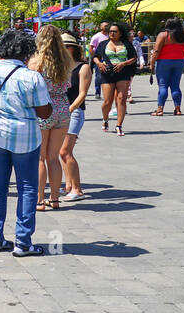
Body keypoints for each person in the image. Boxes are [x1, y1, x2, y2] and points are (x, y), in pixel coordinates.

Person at [0, 30, 52, 256]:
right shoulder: (31, 76)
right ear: (26, 52)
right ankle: (23, 241)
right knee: (28, 187)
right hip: (25, 136)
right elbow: (45, 112)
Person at [29, 25, 74, 211]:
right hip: (63, 107)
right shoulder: (66, 60)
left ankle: (39, 200)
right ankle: (54, 198)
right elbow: (69, 85)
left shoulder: (36, 62)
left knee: (39, 158)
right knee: (53, 157)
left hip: (43, 107)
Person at [59, 33, 92, 202]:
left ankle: (77, 189)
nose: (64, 49)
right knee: (61, 151)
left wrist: (69, 109)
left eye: (67, 46)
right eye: (61, 46)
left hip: (74, 111)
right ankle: (68, 185)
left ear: (74, 48)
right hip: (60, 111)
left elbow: (83, 94)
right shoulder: (61, 67)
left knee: (65, 151)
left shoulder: (83, 67)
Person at [92, 22, 136, 135]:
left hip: (123, 73)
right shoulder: (103, 44)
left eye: (114, 31)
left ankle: (119, 125)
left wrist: (124, 63)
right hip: (107, 73)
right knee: (107, 101)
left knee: (121, 99)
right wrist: (99, 64)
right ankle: (105, 119)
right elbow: (95, 57)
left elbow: (133, 58)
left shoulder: (127, 44)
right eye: (110, 31)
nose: (112, 33)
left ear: (120, 33)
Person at [148, 17, 184, 116]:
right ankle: (177, 109)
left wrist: (152, 63)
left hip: (164, 62)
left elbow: (156, 51)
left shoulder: (163, 35)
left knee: (163, 86)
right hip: (179, 61)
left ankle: (160, 109)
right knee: (175, 85)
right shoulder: (183, 36)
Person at [88, 21, 110, 100]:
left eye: (108, 25)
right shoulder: (96, 36)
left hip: (108, 58)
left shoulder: (110, 36)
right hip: (99, 58)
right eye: (105, 25)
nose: (107, 27)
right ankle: (98, 92)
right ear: (101, 27)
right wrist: (95, 57)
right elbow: (91, 47)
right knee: (99, 76)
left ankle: (108, 92)